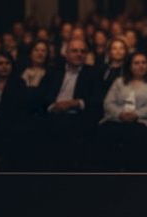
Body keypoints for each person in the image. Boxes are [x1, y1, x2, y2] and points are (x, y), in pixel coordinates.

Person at [38, 38, 103, 171]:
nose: (79, 54)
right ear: (66, 53)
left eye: (82, 51)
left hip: (78, 117)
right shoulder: (53, 72)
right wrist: (53, 107)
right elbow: (40, 97)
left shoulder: (94, 73)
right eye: (74, 51)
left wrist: (76, 103)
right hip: (52, 116)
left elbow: (97, 100)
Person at [98, 51, 147, 171]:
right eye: (136, 63)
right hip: (118, 119)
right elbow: (108, 103)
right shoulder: (119, 82)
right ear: (130, 66)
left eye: (144, 63)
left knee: (136, 133)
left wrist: (136, 114)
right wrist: (120, 114)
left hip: (143, 120)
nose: (141, 66)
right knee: (106, 130)